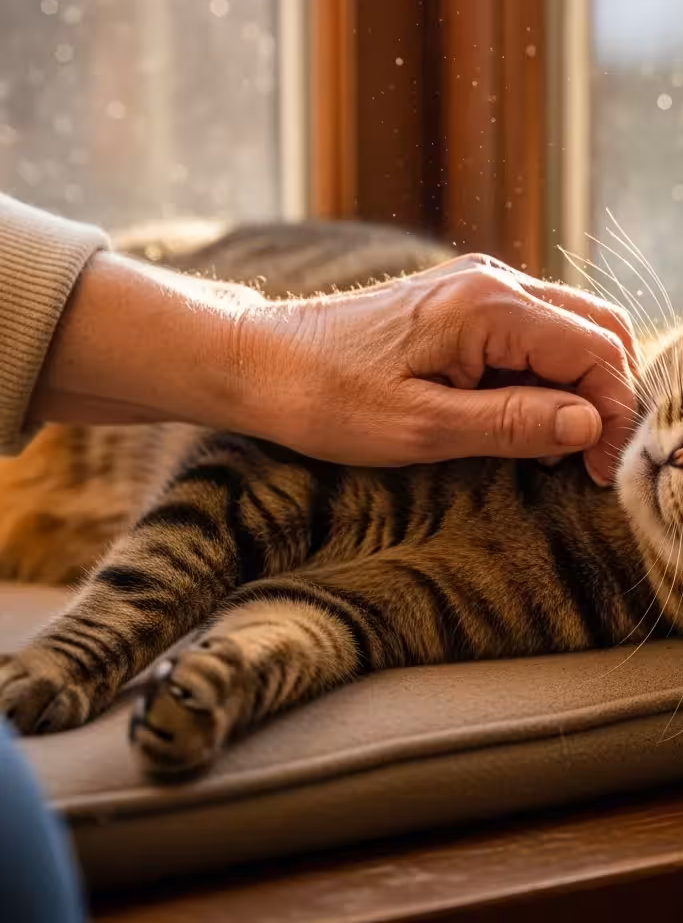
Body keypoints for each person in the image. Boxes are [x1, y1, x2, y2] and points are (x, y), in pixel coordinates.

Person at [0, 192, 638, 919]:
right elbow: (259, 492)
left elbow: (364, 611)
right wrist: (89, 649)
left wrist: (249, 667)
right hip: (138, 344)